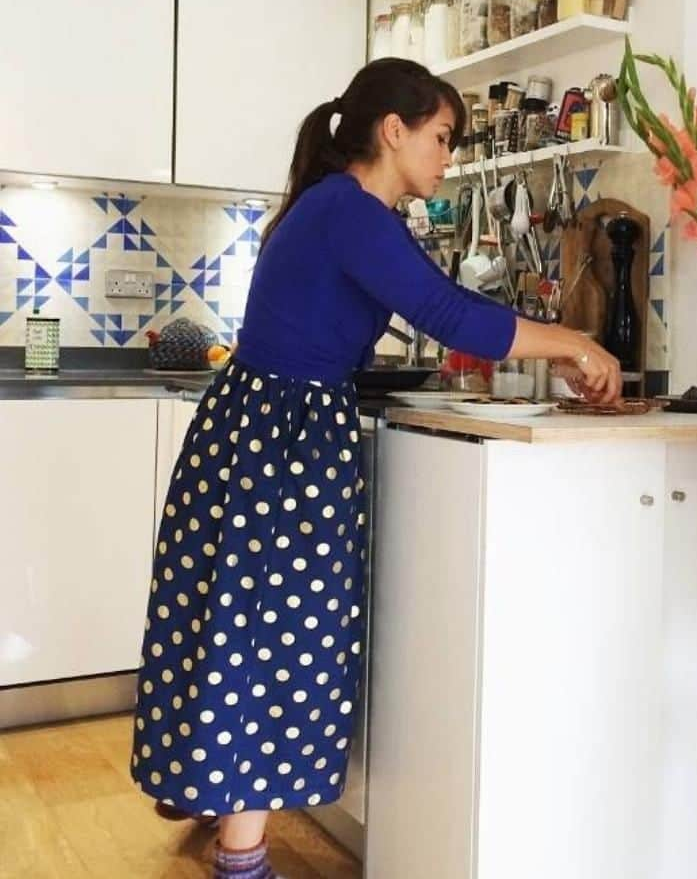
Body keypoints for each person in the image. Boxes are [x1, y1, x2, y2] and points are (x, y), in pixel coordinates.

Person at [130, 57, 622, 878]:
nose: (448, 157)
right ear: (392, 132)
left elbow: (427, 309)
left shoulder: (328, 208)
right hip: (282, 443)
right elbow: (444, 310)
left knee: (227, 622)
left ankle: (199, 785)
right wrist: (573, 340)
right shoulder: (355, 212)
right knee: (268, 642)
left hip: (260, 429)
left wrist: (555, 346)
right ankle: (241, 857)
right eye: (440, 138)